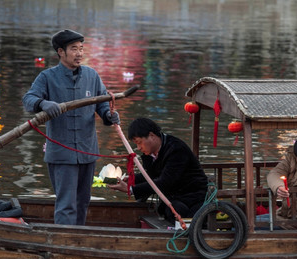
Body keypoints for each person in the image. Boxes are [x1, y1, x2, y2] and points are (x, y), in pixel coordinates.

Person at [22, 29, 120, 225]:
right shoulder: (47, 77)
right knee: (66, 204)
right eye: (74, 49)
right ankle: (62, 243)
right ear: (61, 52)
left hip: (87, 151)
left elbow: (102, 104)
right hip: (61, 152)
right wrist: (42, 103)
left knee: (83, 201)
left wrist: (108, 116)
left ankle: (78, 240)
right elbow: (28, 99)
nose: (79, 53)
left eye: (81, 49)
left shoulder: (92, 75)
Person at [109, 118, 209, 223]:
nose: (138, 148)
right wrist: (131, 180)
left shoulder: (176, 149)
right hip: (175, 198)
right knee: (167, 209)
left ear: (152, 136)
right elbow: (151, 175)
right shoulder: (151, 153)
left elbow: (164, 182)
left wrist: (131, 190)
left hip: (193, 197)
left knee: (177, 211)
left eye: (139, 142)